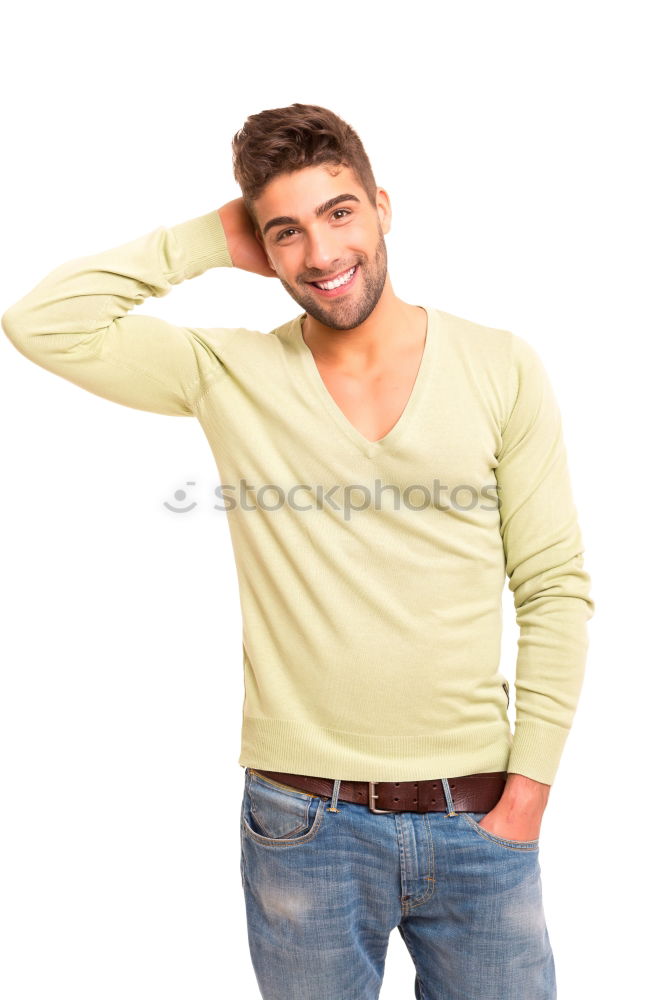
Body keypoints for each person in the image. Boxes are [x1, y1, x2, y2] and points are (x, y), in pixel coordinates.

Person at [1, 102, 594, 999]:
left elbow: (554, 586)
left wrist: (530, 792)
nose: (320, 255)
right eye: (287, 232)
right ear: (262, 246)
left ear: (383, 206)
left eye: (339, 213)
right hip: (301, 822)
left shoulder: (501, 365)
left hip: (478, 813)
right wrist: (206, 238)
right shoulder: (229, 372)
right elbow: (42, 322)